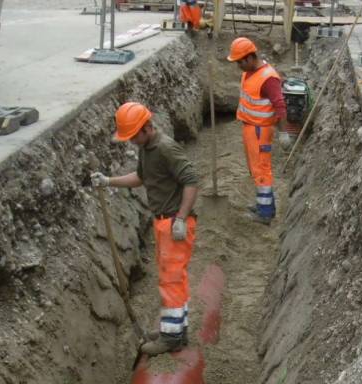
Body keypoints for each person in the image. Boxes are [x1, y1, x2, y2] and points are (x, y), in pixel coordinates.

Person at [91, 102, 201, 356]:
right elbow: (141, 178)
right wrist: (109, 181)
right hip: (163, 221)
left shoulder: (165, 149)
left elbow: (192, 180)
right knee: (175, 278)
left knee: (171, 280)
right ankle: (175, 329)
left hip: (174, 222)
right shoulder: (146, 148)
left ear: (145, 128)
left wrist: (181, 219)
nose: (130, 141)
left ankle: (171, 339)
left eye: (131, 136)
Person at [227, 37, 292, 224]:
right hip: (250, 128)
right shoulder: (250, 73)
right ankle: (264, 206)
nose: (238, 66)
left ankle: (265, 214)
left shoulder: (268, 79)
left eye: (239, 62)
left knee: (262, 170)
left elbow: (280, 106)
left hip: (260, 131)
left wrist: (284, 133)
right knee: (256, 170)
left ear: (249, 58)